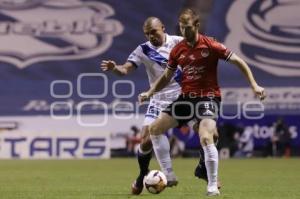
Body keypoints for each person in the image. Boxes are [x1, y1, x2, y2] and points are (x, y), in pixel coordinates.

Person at [139, 8, 266, 196]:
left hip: (208, 97)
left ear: (197, 26)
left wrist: (254, 85)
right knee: (154, 129)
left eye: (188, 28)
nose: (184, 32)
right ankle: (169, 175)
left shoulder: (211, 45)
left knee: (207, 137)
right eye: (182, 28)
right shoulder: (178, 49)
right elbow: (167, 76)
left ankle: (212, 185)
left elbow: (239, 61)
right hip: (186, 99)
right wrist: (150, 92)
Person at [100, 17, 183, 195]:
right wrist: (115, 68)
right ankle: (142, 175)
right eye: (147, 33)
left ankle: (210, 176)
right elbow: (125, 70)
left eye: (153, 32)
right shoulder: (143, 50)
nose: (151, 36)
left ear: (163, 27)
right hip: (158, 97)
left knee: (204, 131)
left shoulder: (179, 42)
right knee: (145, 140)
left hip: (182, 97)